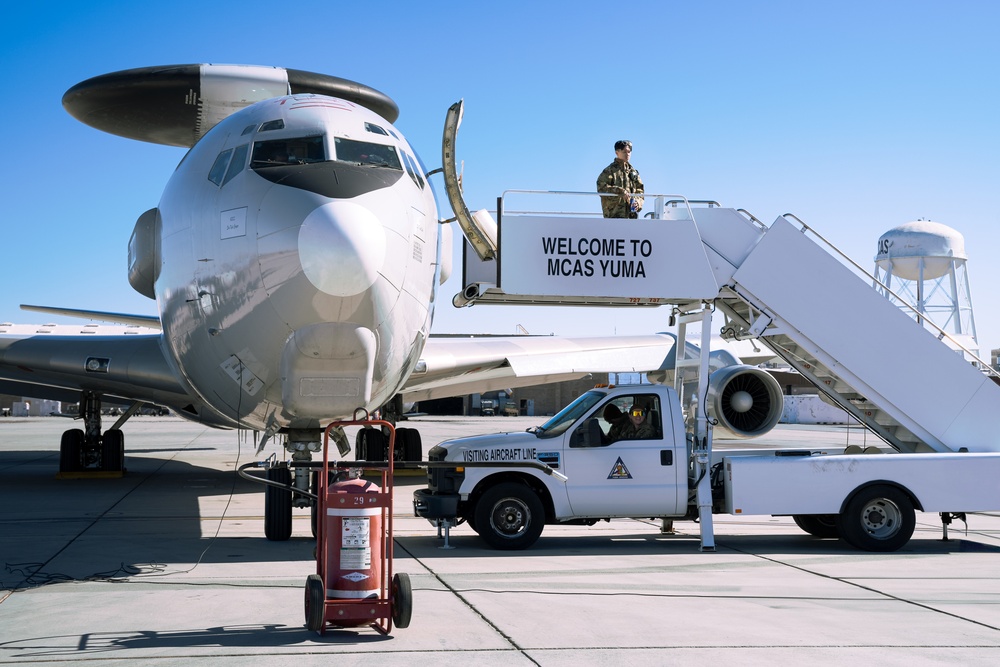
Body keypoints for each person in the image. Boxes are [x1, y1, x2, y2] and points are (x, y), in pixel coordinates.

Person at [596, 140, 644, 218]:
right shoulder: (609, 171)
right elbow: (601, 187)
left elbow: (640, 191)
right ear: (617, 152)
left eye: (629, 152)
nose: (627, 154)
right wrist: (619, 191)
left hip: (631, 217)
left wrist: (638, 203)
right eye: (624, 152)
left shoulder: (633, 172)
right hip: (614, 215)